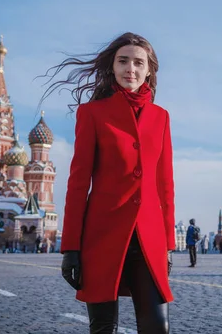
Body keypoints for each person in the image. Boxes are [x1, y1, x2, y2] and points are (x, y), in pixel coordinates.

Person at [55, 33, 175, 333]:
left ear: (149, 70)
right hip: (101, 236)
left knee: (157, 327)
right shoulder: (92, 114)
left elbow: (165, 185)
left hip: (149, 240)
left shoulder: (161, 118)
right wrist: (71, 246)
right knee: (103, 328)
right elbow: (78, 183)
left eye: (138, 63)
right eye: (123, 61)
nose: (130, 69)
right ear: (112, 66)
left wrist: (169, 246)